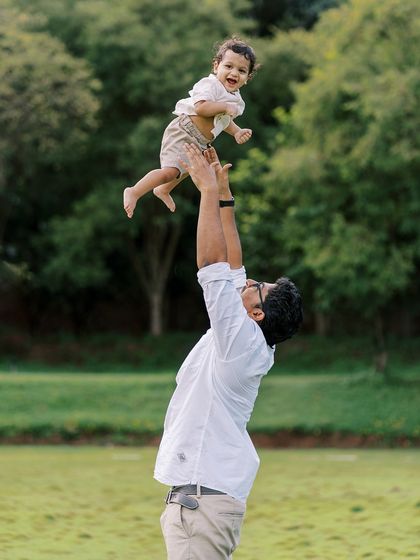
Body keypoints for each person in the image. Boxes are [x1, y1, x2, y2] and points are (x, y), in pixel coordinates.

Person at [154, 143, 303, 559]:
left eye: (256, 285)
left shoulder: (239, 340)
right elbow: (232, 263)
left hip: (201, 505)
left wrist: (203, 192)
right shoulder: (247, 338)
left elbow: (212, 265)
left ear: (255, 311)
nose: (248, 279)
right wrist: (223, 193)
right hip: (204, 501)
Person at [123, 37, 258, 218]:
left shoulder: (236, 100)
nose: (234, 73)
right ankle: (134, 191)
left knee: (191, 168)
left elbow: (222, 120)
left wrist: (236, 131)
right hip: (184, 131)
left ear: (247, 78)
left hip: (200, 142)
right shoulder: (211, 85)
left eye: (241, 70)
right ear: (216, 66)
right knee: (170, 171)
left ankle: (163, 189)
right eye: (228, 66)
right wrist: (225, 107)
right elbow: (201, 108)